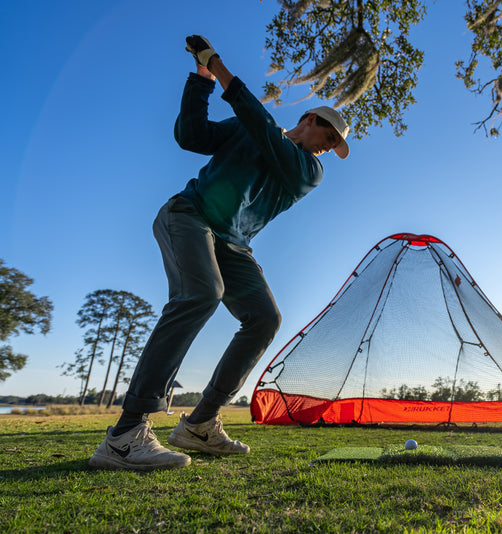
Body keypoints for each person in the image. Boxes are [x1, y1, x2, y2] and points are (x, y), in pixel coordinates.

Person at [89, 35, 350, 470]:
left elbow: (265, 128)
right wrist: (202, 77)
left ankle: (200, 423)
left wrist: (221, 66)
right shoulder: (250, 131)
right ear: (310, 119)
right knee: (201, 294)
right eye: (331, 136)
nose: (330, 147)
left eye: (335, 144)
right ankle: (125, 434)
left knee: (265, 318)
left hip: (234, 244)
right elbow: (192, 135)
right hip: (188, 215)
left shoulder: (309, 169)